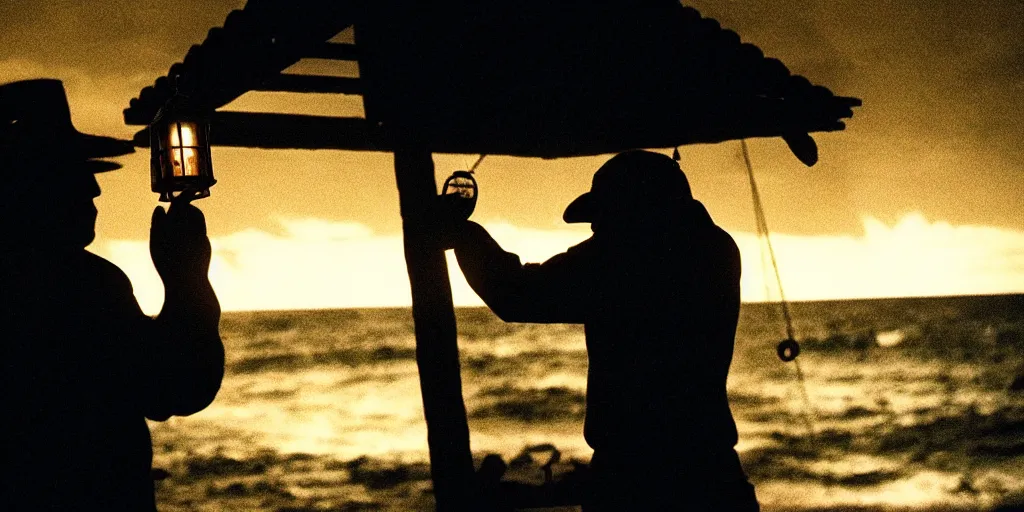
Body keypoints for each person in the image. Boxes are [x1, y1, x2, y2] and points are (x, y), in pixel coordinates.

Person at [449, 150, 759, 510]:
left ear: (631, 210)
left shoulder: (629, 256)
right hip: (712, 473)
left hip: (635, 480)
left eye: (603, 217)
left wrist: (462, 232)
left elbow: (518, 294)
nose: (597, 229)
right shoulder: (713, 247)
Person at [0, 79, 224, 511]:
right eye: (70, 174)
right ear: (26, 185)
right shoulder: (81, 283)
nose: (93, 189)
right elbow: (174, 387)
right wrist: (187, 278)